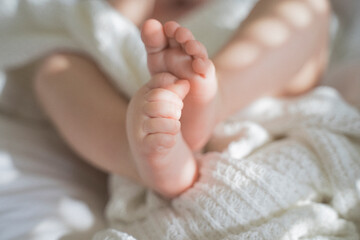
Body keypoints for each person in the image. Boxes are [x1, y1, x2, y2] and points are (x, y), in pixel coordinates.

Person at [34, 0, 331, 198]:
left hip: (252, 79)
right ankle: (146, 156)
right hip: (138, 98)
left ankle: (214, 101)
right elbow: (98, 25)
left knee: (306, 7)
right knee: (55, 66)